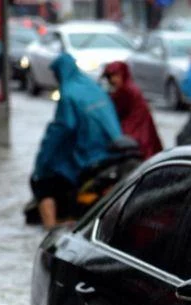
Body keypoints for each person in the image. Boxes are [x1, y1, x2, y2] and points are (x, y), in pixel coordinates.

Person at [31, 53, 121, 230]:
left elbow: (63, 127)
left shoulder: (69, 94)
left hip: (88, 155)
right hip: (112, 149)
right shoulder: (93, 87)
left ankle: (49, 228)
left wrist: (42, 162)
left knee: (43, 182)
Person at [102, 61, 162, 159]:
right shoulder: (130, 87)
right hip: (142, 128)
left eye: (116, 76)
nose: (113, 80)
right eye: (110, 76)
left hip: (135, 129)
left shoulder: (124, 91)